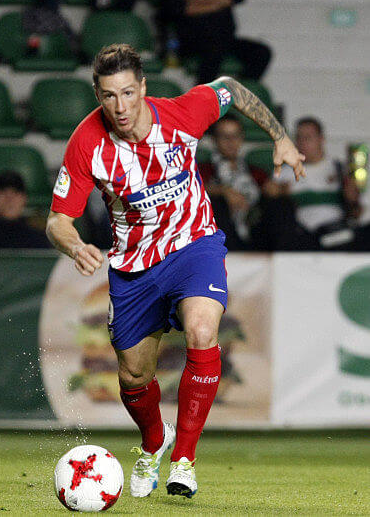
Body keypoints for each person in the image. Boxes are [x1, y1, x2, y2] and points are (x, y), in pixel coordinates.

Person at [46, 44, 304, 498]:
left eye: (128, 93)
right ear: (97, 94)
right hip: (133, 266)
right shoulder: (87, 142)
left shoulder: (184, 113)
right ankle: (153, 442)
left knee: (203, 331)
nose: (120, 107)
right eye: (109, 96)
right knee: (132, 376)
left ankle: (184, 459)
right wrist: (75, 245)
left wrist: (279, 136)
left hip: (193, 245)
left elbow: (231, 89)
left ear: (143, 87)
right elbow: (56, 220)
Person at [165, 0, 271, 84]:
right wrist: (219, 2)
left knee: (261, 53)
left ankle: (238, 94)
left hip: (225, 38)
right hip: (191, 41)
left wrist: (198, 0)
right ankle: (203, 97)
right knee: (214, 48)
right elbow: (183, 8)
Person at [201, 115, 262, 249]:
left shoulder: (254, 171)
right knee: (217, 203)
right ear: (214, 139)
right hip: (222, 236)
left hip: (254, 231)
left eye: (235, 136)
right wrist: (223, 191)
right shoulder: (204, 170)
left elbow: (270, 190)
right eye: (224, 136)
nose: (230, 141)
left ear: (241, 138)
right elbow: (192, 188)